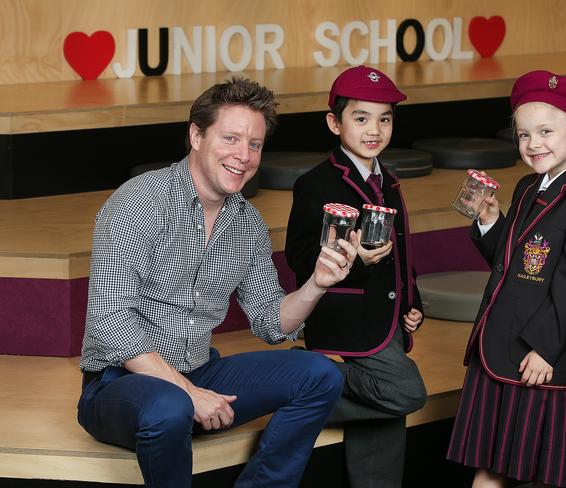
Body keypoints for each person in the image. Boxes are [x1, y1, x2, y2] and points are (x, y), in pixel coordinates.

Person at [77, 77, 359, 488]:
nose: (243, 156)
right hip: (118, 385)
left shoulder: (247, 224)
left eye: (255, 144)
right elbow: (108, 322)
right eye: (230, 138)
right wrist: (188, 392)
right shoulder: (138, 203)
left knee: (321, 375)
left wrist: (317, 282)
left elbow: (271, 323)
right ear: (196, 135)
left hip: (199, 373)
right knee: (169, 406)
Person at [446, 70, 566, 488]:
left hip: (537, 357)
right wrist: (490, 222)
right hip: (499, 343)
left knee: (541, 471)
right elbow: (511, 264)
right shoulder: (525, 186)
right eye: (524, 135)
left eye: (545, 131)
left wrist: (545, 348)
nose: (533, 144)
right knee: (492, 463)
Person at [285, 65, 427, 488]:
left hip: (386, 319)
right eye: (361, 118)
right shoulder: (315, 183)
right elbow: (300, 256)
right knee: (404, 393)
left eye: (384, 119)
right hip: (346, 318)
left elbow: (401, 252)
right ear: (335, 122)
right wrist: (355, 260)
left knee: (381, 420)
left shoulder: (389, 180)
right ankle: (298, 384)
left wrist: (413, 303)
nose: (374, 130)